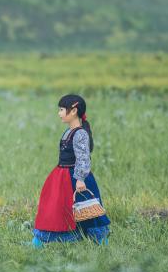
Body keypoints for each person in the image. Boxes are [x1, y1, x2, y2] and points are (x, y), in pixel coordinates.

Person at [32, 94, 110, 247]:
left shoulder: (80, 133)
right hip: (62, 176)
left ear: (73, 111)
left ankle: (101, 241)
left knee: (87, 212)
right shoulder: (68, 132)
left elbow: (83, 158)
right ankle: (40, 240)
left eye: (62, 109)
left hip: (75, 178)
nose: (59, 113)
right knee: (55, 209)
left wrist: (80, 179)